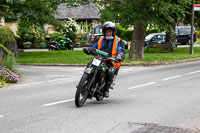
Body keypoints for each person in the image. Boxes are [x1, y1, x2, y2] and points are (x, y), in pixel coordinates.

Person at [85, 21, 125, 98]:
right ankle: (87, 83)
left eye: (110, 31)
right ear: (104, 32)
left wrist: (120, 56)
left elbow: (121, 51)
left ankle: (106, 89)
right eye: (107, 31)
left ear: (113, 31)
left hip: (112, 61)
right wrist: (89, 49)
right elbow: (94, 46)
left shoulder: (119, 41)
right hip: (100, 59)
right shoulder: (99, 39)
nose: (108, 33)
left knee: (110, 71)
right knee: (90, 65)